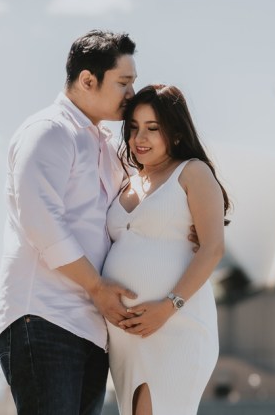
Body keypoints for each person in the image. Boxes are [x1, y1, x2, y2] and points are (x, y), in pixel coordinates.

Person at [0, 30, 142, 414]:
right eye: (123, 83)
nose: (131, 94)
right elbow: (41, 221)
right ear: (88, 80)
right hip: (43, 316)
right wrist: (97, 286)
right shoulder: (48, 131)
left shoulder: (105, 145)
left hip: (91, 327)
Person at [102, 84, 229, 415]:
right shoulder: (128, 182)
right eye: (133, 128)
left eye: (152, 128)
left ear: (174, 132)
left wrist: (167, 307)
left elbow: (213, 248)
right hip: (127, 336)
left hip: (176, 326)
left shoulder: (192, 172)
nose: (139, 138)